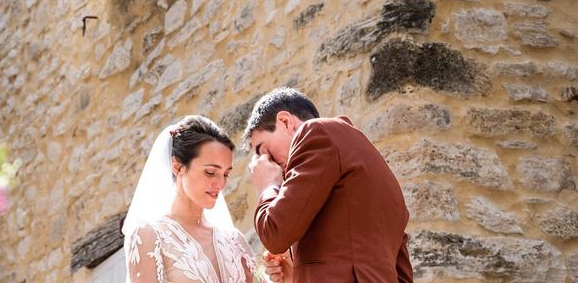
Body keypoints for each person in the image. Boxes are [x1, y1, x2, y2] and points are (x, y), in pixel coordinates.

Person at [245, 88, 413, 283]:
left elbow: (274, 235)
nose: (265, 162)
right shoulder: (376, 169)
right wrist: (297, 272)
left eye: (264, 150)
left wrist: (267, 186)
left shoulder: (316, 133)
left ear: (285, 121)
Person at [123, 115, 285, 283]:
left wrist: (281, 276)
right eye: (210, 172)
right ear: (178, 166)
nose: (221, 184)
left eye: (226, 174)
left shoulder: (234, 239)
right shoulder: (149, 234)